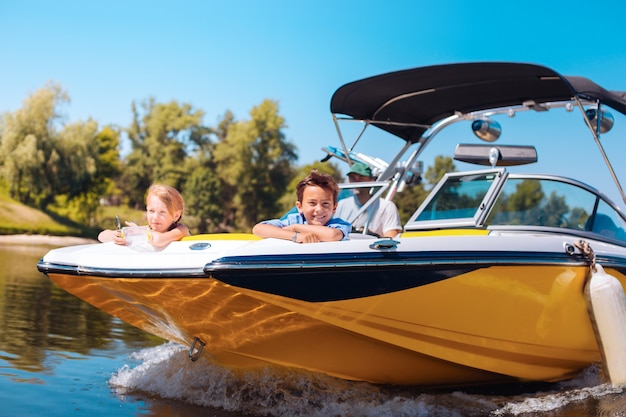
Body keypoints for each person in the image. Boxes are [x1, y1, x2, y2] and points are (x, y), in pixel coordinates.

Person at [253, 170, 351, 243]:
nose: (319, 209)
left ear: (334, 207)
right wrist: (296, 236)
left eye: (325, 203)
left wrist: (296, 227)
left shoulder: (339, 225)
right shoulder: (294, 220)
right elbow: (258, 229)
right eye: (312, 203)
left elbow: (332, 235)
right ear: (299, 207)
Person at [98, 183, 191, 248]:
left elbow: (158, 240)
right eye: (151, 211)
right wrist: (119, 235)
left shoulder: (181, 230)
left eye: (162, 212)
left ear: (176, 215)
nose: (155, 217)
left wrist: (139, 232)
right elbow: (101, 236)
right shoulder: (147, 230)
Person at [334, 162, 402, 238]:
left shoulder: (387, 207)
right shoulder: (342, 204)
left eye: (361, 178)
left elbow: (391, 239)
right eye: (352, 178)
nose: (356, 182)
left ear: (372, 180)